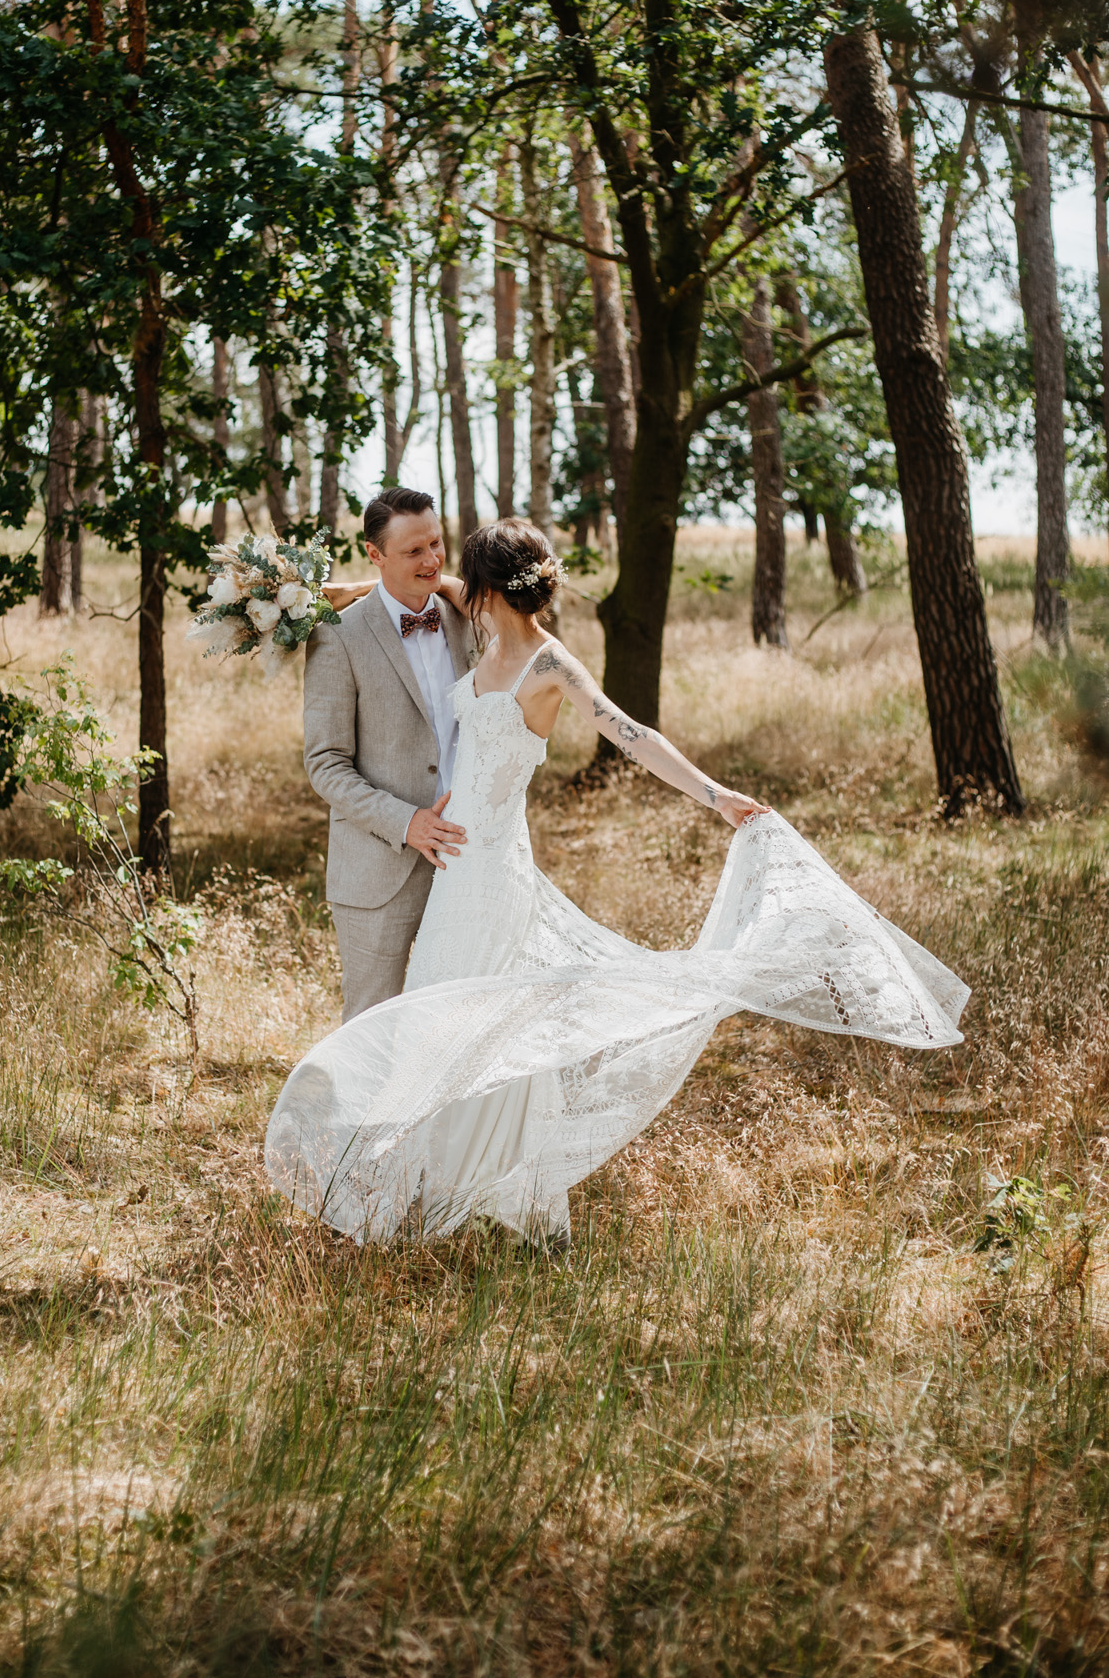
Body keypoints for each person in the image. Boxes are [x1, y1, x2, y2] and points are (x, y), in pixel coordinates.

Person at [277, 516, 969, 1246]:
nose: (447, 579)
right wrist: (294, 597)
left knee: (489, 1030)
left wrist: (715, 796)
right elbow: (391, 586)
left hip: (496, 877)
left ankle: (497, 1190)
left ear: (486, 590)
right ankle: (432, 1187)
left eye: (460, 575)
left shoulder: (547, 663)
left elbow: (631, 733)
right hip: (454, 874)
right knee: (440, 1018)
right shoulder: (483, 629)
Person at [304, 486, 472, 1024]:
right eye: (414, 552)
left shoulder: (467, 619)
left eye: (436, 545)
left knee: (457, 1020)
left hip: (469, 858)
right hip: (379, 867)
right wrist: (408, 823)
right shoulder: (337, 636)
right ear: (374, 555)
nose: (432, 561)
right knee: (370, 1028)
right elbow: (326, 764)